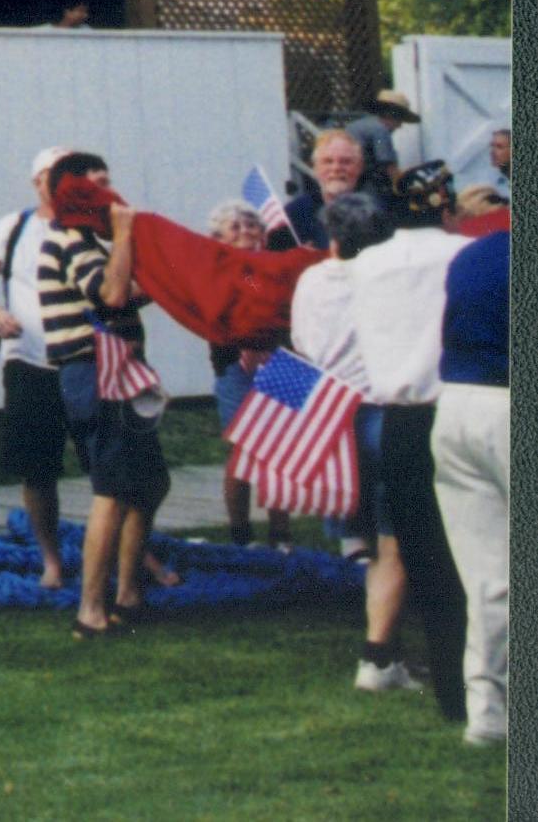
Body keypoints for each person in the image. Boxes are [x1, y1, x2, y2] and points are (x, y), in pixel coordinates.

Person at [298, 186, 468, 723]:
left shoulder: (336, 275)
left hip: (368, 413)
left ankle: (398, 659)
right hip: (414, 408)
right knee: (425, 548)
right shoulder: (453, 253)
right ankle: (410, 661)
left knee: (394, 545)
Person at [33, 158, 162, 636]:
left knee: (148, 483)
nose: (112, 194)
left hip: (118, 372)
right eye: (101, 184)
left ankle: (128, 593)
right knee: (111, 488)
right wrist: (126, 236)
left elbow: (123, 292)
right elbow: (111, 293)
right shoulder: (70, 242)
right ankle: (91, 607)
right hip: (94, 373)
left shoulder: (88, 243)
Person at [0, 150, 81, 586]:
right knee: (38, 468)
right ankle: (51, 558)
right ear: (38, 182)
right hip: (29, 359)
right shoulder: (14, 227)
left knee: (110, 463)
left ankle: (136, 555)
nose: (62, 182)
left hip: (84, 358)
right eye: (53, 176)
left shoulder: (92, 226)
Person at [429, 222, 506, 745]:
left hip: (456, 405)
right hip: (508, 398)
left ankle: (488, 714)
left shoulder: (476, 255)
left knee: (488, 580)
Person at [197, 198, 279, 546]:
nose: (246, 232)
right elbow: (212, 318)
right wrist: (245, 342)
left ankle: (281, 533)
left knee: (281, 450)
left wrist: (265, 341)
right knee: (242, 449)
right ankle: (241, 534)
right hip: (235, 367)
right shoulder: (213, 273)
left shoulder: (271, 270)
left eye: (251, 226)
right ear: (219, 237)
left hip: (277, 363)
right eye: (236, 227)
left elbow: (277, 309)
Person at [285, 125, 377, 246]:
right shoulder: (294, 213)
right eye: (328, 161)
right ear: (315, 168)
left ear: (359, 167)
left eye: (346, 162)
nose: (336, 168)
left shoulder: (376, 212)